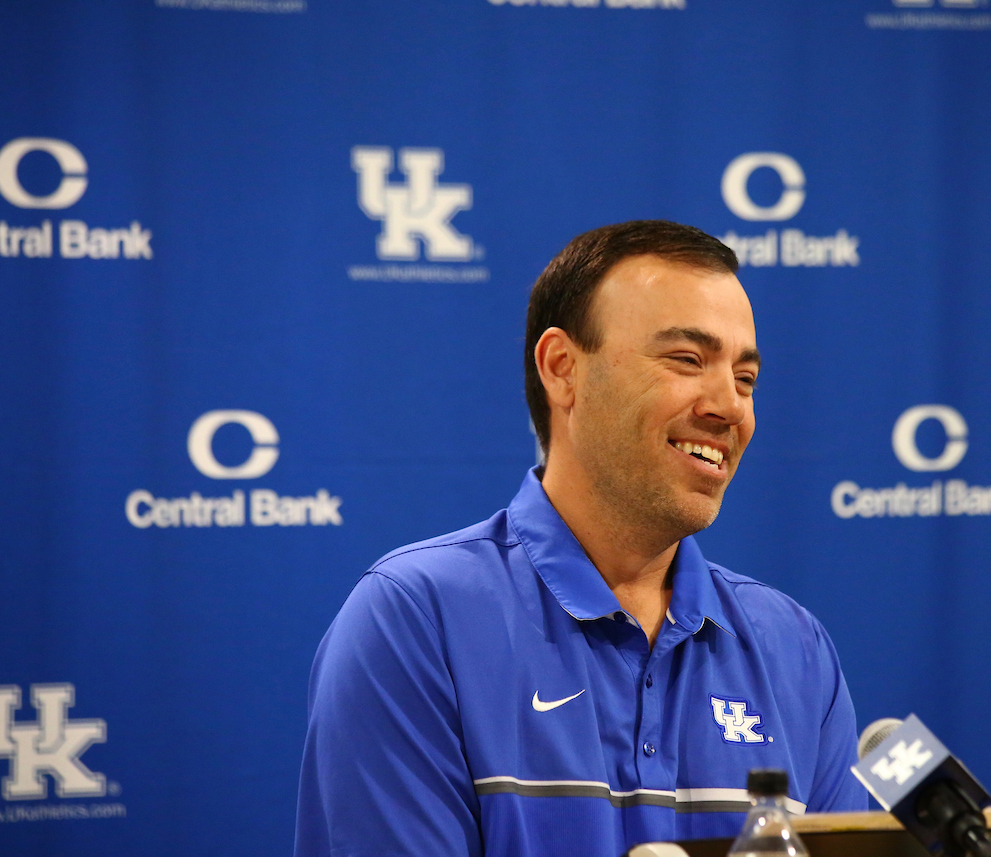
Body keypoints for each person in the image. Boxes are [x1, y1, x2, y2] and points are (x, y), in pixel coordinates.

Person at [294, 221, 867, 857]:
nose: (729, 406)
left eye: (746, 378)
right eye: (687, 360)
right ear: (563, 369)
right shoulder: (417, 618)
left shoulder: (796, 649)